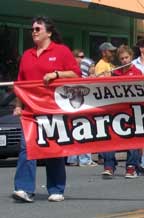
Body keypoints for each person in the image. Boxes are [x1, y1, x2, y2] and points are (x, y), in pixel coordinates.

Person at [12, 16, 81, 203]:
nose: (33, 32)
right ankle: (23, 189)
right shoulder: (27, 55)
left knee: (53, 148)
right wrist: (18, 106)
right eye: (32, 29)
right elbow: (21, 84)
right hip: (31, 110)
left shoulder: (61, 51)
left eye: (37, 29)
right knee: (27, 148)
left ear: (48, 32)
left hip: (53, 108)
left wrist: (56, 74)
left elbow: (76, 74)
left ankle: (56, 189)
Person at [100, 45, 143, 179]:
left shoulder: (137, 72)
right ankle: (109, 165)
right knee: (110, 137)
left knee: (132, 139)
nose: (124, 60)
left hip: (131, 110)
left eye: (127, 57)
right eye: (122, 58)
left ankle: (131, 167)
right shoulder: (115, 72)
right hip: (116, 110)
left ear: (131, 57)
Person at [67, 49, 97, 167]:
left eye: (83, 56)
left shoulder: (84, 72)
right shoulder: (71, 73)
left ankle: (82, 158)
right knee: (76, 129)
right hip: (74, 105)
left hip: (84, 105)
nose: (82, 59)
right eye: (80, 56)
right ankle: (75, 158)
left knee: (83, 129)